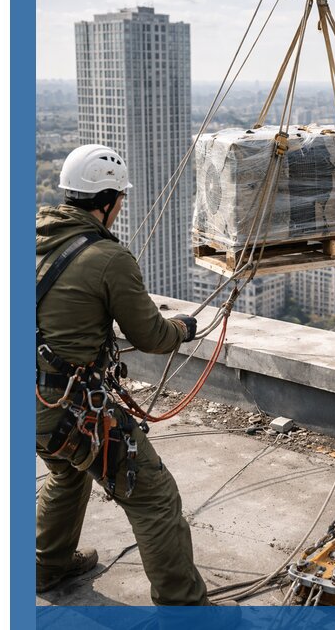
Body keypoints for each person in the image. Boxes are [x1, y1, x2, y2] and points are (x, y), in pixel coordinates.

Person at [35, 143, 211, 605]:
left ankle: (45, 566)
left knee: (67, 470)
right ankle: (183, 607)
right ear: (110, 201)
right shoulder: (108, 258)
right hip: (65, 408)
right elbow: (151, 335)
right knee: (152, 496)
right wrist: (182, 329)